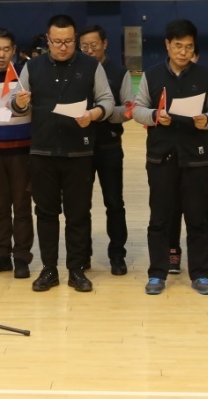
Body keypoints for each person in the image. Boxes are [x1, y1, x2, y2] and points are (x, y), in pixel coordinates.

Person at [10, 14, 115, 293]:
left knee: (78, 214)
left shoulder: (91, 66)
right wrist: (20, 102)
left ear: (75, 39)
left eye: (68, 41)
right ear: (48, 40)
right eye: (57, 42)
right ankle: (49, 269)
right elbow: (15, 106)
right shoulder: (32, 67)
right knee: (45, 214)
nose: (63, 47)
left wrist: (93, 114)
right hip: (42, 152)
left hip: (79, 152)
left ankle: (77, 269)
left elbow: (107, 100)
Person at [131, 19, 208, 295]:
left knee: (197, 218)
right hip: (161, 157)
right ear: (167, 45)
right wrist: (154, 115)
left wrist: (207, 120)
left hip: (197, 158)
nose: (183, 52)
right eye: (178, 46)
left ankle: (200, 273)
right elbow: (137, 109)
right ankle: (157, 273)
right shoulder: (151, 75)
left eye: (189, 47)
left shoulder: (205, 75)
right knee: (159, 218)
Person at [0, 28, 34, 279]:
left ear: (14, 50)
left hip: (23, 151)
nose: (1, 55)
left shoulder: (25, 76)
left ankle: (21, 257)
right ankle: (1, 255)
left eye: (6, 49)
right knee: (0, 206)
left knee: (22, 205)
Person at [78, 24, 131, 275]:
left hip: (109, 145)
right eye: (84, 47)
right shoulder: (75, 69)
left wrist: (102, 113)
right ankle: (83, 254)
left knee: (114, 203)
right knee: (81, 205)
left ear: (105, 44)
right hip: (79, 148)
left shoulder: (119, 72)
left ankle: (117, 255)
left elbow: (129, 110)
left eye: (94, 45)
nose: (89, 50)